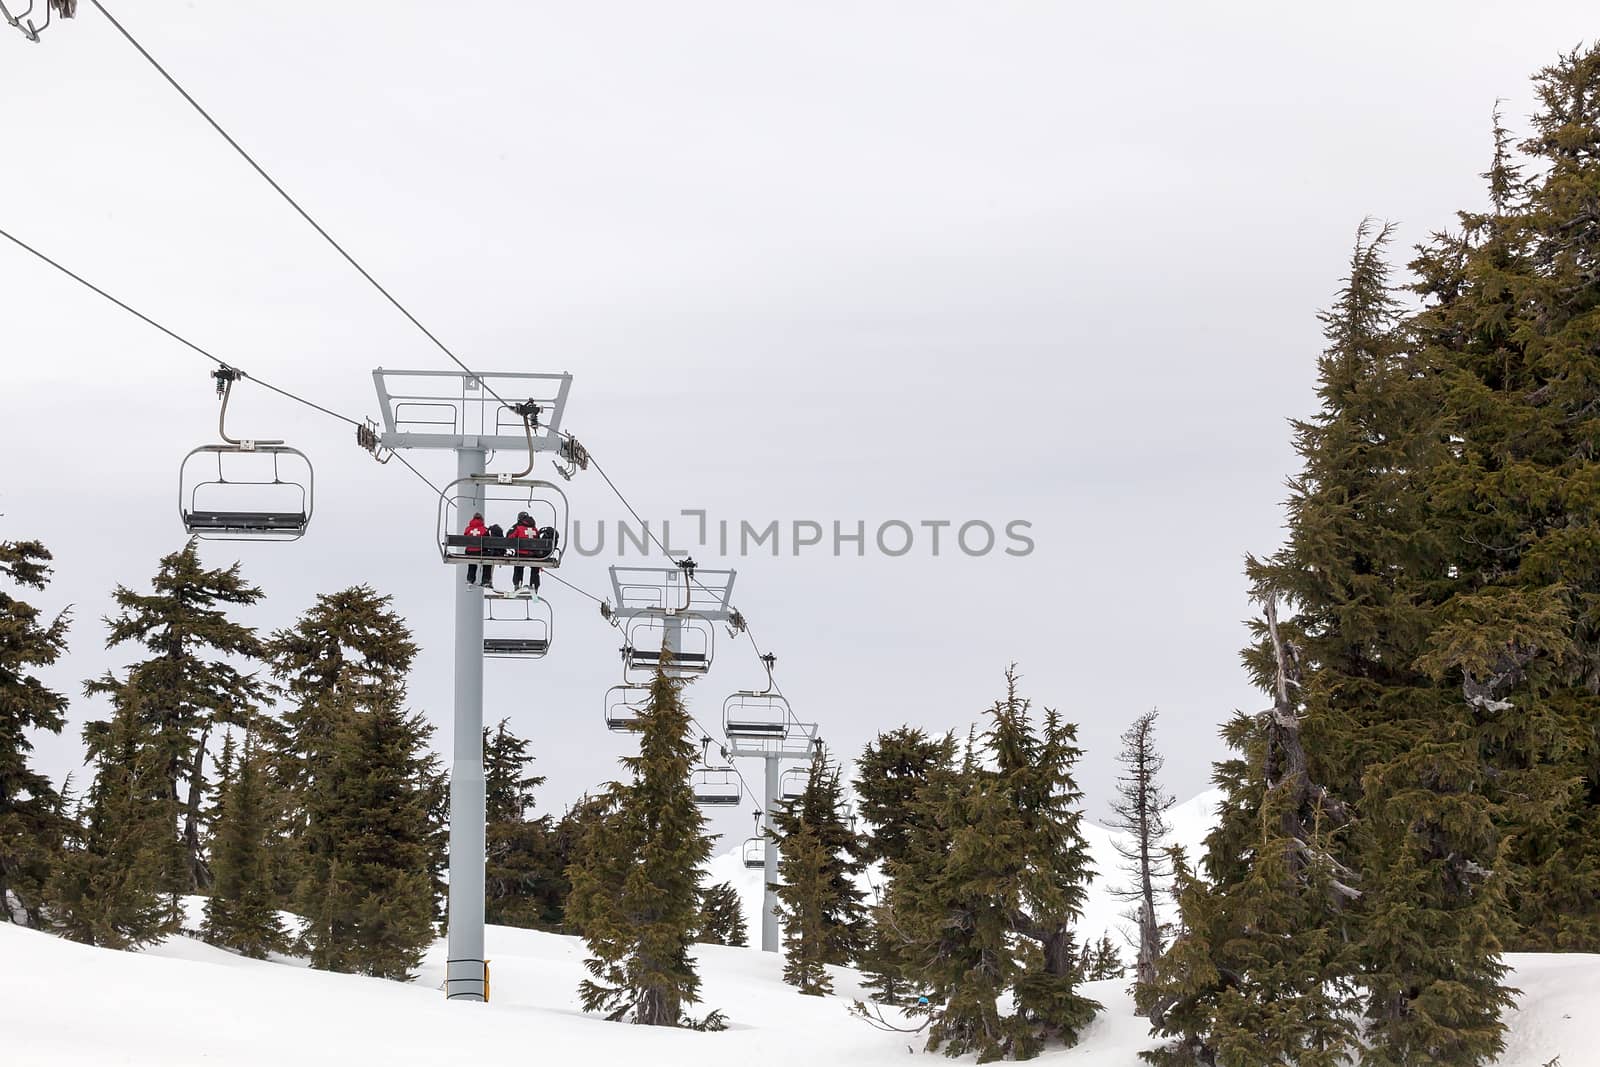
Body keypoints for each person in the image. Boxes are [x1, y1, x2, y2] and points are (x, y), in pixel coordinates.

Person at [509, 510, 542, 598]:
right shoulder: (535, 529)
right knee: (535, 568)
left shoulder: (519, 528)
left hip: (521, 554)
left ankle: (517, 583)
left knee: (518, 566)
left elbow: (510, 538)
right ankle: (534, 586)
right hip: (533, 555)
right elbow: (539, 541)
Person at [462, 512, 488, 586]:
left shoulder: (468, 529)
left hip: (469, 552)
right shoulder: (484, 529)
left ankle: (470, 579)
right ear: (482, 519)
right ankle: (485, 580)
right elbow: (488, 541)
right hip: (480, 552)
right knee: (487, 563)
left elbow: (464, 537)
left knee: (472, 563)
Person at [480, 523, 503, 590]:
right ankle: (489, 581)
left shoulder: (488, 533)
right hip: (498, 554)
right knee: (491, 563)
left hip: (490, 554)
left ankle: (486, 580)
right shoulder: (500, 534)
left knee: (487, 562)